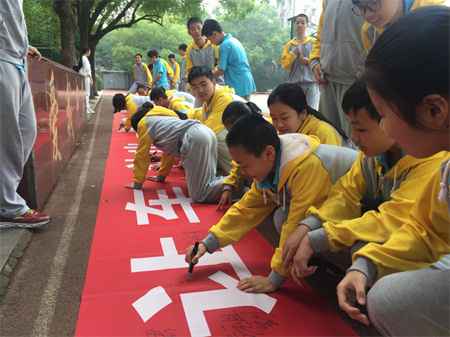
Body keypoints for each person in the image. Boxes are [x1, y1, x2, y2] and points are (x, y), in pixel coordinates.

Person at [312, 7, 449, 335]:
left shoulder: (429, 162)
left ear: (433, 110)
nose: (382, 126)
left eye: (383, 114)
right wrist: (367, 264)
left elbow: (403, 221)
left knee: (391, 299)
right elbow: (427, 230)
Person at [285, 80, 446, 282]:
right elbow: (345, 195)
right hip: (402, 235)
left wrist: (321, 237)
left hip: (427, 253)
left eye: (361, 130)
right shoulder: (371, 156)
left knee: (366, 259)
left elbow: (397, 221)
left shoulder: (430, 159)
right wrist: (309, 227)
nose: (354, 138)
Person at [185, 114, 357, 293]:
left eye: (244, 166)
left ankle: (341, 274)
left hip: (364, 209)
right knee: (280, 217)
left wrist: (274, 279)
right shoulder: (273, 160)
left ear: (268, 153)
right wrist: (207, 244)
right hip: (334, 208)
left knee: (288, 222)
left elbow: (295, 225)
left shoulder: (307, 166)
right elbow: (245, 210)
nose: (243, 172)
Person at [0, 0, 50, 229]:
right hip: (2, 58)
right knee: (7, 137)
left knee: (26, 130)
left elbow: (12, 18)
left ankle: (6, 197)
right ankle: (8, 207)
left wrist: (24, 45)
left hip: (17, 60)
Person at [125, 103, 224, 203]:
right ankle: (232, 182)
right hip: (207, 131)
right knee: (210, 178)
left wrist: (137, 182)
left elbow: (142, 155)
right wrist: (161, 176)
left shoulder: (143, 123)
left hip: (195, 138)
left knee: (200, 195)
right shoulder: (165, 117)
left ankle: (236, 183)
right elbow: (168, 152)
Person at [310, 0, 366, 137]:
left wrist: (367, 72)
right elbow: (320, 33)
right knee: (328, 136)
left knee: (356, 141)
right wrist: (315, 62)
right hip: (327, 81)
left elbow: (378, 29)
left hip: (355, 82)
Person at [187, 66, 244, 174]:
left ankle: (238, 175)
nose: (200, 90)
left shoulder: (224, 98)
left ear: (213, 82)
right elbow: (196, 116)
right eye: (194, 87)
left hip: (252, 144)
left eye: (204, 84)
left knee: (213, 138)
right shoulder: (207, 102)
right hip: (241, 142)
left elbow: (208, 131)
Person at [268, 82, 346, 146]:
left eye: (284, 118)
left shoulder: (323, 133)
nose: (279, 125)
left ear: (303, 114)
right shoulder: (287, 134)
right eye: (274, 118)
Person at [351, 0, 446, 51]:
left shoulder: (438, 16)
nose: (367, 15)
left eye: (373, 2)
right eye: (360, 6)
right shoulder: (369, 31)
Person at [202, 19, 256, 100]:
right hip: (245, 81)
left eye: (210, 39)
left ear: (215, 34)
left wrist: (205, 78)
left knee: (238, 111)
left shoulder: (225, 45)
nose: (211, 43)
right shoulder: (233, 40)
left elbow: (221, 70)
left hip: (237, 84)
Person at [280, 14, 320, 110]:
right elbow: (284, 65)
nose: (300, 25)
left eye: (302, 23)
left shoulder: (313, 43)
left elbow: (320, 61)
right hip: (294, 85)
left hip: (311, 84)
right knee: (296, 111)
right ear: (294, 25)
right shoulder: (289, 45)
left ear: (307, 25)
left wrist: (309, 62)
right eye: (297, 22)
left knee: (311, 112)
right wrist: (293, 54)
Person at [185, 17, 221, 82]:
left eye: (199, 28)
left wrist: (209, 77)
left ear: (203, 28)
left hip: (217, 81)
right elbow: (190, 69)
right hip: (199, 84)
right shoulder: (189, 50)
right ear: (189, 32)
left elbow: (220, 65)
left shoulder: (213, 44)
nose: (196, 31)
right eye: (193, 29)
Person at [79, 48, 94, 114]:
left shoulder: (85, 58)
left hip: (87, 77)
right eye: (89, 51)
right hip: (86, 77)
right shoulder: (84, 58)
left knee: (87, 93)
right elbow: (87, 70)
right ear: (87, 51)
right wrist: (91, 78)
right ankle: (86, 108)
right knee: (87, 93)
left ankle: (88, 107)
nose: (90, 52)